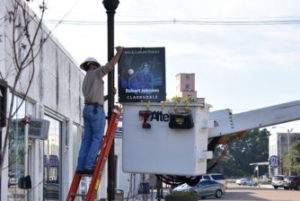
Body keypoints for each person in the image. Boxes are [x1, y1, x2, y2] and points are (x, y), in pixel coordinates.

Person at [76, 46, 123, 174]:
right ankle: (90, 165)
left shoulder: (86, 79)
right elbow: (110, 66)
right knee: (97, 138)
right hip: (96, 111)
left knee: (87, 139)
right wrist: (119, 53)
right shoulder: (96, 73)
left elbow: (97, 98)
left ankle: (81, 166)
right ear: (94, 66)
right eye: (96, 66)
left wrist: (109, 95)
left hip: (88, 109)